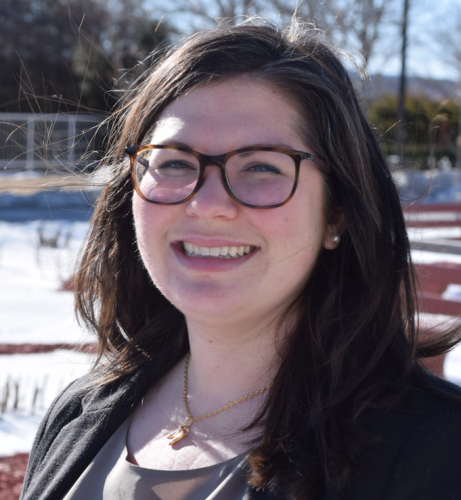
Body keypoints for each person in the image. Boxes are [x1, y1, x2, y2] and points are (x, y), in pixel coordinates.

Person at [20, 18, 461, 500]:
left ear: (337, 213)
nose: (207, 204)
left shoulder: (437, 452)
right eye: (173, 162)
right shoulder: (77, 413)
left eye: (260, 166)